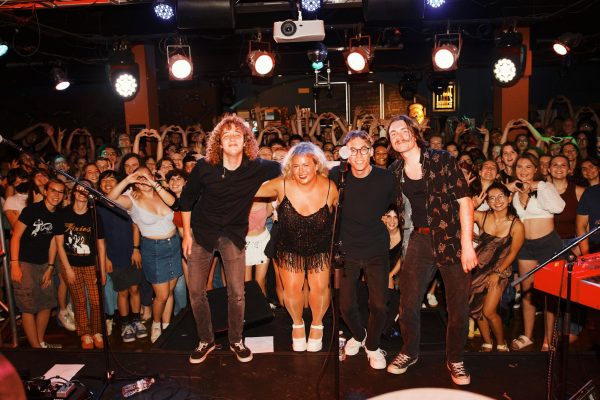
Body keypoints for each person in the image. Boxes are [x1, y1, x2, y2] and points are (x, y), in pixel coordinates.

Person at [179, 115, 280, 364]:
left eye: (237, 134)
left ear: (246, 141)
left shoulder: (257, 167)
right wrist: (187, 236)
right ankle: (206, 340)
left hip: (233, 235)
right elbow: (186, 200)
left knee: (237, 293)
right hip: (202, 234)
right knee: (195, 292)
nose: (233, 138)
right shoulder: (204, 167)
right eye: (227, 135)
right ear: (219, 143)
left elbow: (285, 167)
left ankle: (236, 339)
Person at [386, 115, 477, 385]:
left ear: (415, 133)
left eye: (403, 130)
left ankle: (456, 359)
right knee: (408, 301)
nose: (399, 136)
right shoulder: (394, 170)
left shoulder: (441, 159)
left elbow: (465, 202)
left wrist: (467, 244)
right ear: (390, 142)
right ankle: (409, 351)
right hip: (420, 239)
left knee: (458, 306)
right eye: (393, 134)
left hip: (452, 237)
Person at [255, 142, 337, 352]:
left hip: (320, 248)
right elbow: (248, 190)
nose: (301, 171)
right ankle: (297, 324)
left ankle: (317, 325)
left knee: (319, 289)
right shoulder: (280, 184)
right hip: (289, 247)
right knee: (292, 290)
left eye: (306, 165)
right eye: (296, 166)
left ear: (316, 164)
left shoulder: (330, 187)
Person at [331, 130, 396, 370]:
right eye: (353, 150)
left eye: (363, 149)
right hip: (346, 250)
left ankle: (373, 345)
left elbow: (402, 202)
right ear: (346, 153)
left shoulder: (385, 177)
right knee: (346, 305)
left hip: (376, 249)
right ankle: (359, 336)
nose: (358, 155)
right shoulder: (337, 175)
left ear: (371, 152)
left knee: (379, 304)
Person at [108, 166, 181, 343]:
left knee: (170, 291)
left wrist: (156, 185)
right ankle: (156, 324)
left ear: (152, 176)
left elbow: (175, 203)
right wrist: (127, 180)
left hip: (174, 246)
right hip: (153, 248)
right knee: (161, 295)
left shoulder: (161, 193)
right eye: (139, 178)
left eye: (146, 176)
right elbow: (109, 200)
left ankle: (166, 326)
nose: (144, 181)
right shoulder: (131, 199)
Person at [507, 154, 565, 351]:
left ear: (535, 169)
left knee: (549, 293)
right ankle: (528, 335)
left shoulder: (545, 186)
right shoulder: (516, 191)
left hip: (548, 244)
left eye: (528, 167)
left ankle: (549, 339)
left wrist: (539, 185)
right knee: (527, 292)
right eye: (520, 167)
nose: (523, 171)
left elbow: (559, 207)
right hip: (526, 245)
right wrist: (509, 190)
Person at [10, 178, 65, 348]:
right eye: (53, 190)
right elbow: (15, 237)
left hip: (43, 264)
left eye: (61, 192)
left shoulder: (58, 216)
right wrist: (14, 264)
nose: (57, 195)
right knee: (28, 307)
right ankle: (36, 349)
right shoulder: (31, 210)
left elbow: (53, 244)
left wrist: (50, 267)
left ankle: (40, 343)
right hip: (25, 263)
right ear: (45, 191)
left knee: (46, 304)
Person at [469, 183, 524, 352]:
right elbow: (457, 214)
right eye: (492, 198)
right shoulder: (481, 216)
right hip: (477, 268)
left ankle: (501, 342)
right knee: (477, 309)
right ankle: (487, 341)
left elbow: (513, 253)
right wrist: (473, 205)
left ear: (509, 198)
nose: (497, 201)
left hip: (499, 271)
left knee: (489, 311)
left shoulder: (517, 225)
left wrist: (497, 273)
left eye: (501, 196)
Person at [55, 180, 107, 349]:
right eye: (79, 188)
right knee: (79, 301)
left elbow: (100, 245)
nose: (82, 191)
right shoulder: (63, 214)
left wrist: (103, 271)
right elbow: (59, 244)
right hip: (71, 264)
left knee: (96, 300)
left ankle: (97, 331)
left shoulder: (95, 216)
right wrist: (67, 269)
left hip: (91, 265)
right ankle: (84, 333)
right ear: (74, 192)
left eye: (86, 189)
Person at [97, 170, 146, 343]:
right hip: (113, 255)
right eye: (104, 180)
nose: (108, 182)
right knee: (123, 291)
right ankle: (125, 323)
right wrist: (105, 259)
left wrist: (136, 249)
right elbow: (99, 237)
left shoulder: (127, 201)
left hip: (131, 253)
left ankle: (136, 320)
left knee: (134, 289)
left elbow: (135, 227)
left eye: (112, 179)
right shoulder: (98, 206)